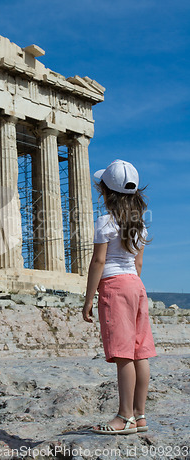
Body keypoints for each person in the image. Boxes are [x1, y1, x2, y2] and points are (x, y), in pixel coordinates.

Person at [82, 159, 157, 435]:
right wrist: (134, 286)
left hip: (114, 286)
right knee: (141, 352)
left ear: (105, 193)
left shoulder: (105, 222)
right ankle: (140, 415)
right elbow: (137, 265)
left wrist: (89, 298)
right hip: (137, 286)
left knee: (123, 354)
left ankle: (124, 416)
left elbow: (98, 262)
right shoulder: (141, 226)